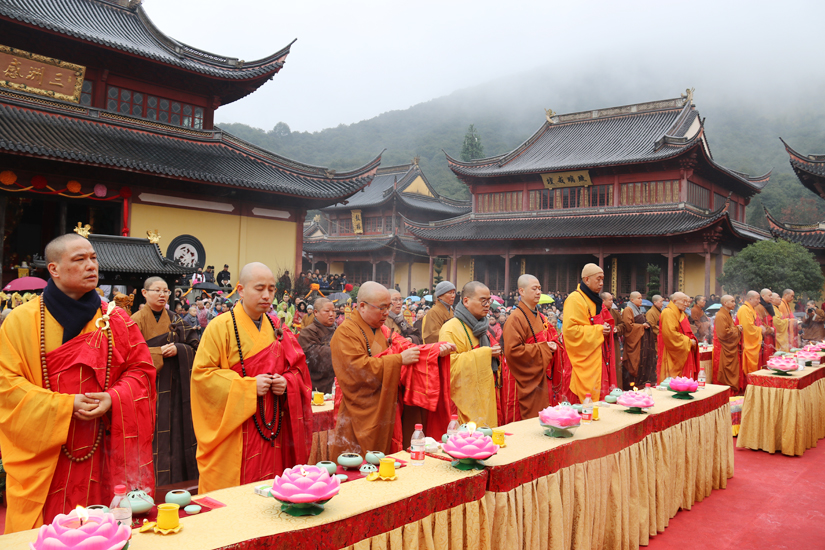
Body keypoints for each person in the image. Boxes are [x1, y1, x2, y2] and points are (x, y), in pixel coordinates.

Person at [0, 233, 156, 533]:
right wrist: (64, 405)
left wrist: (114, 398)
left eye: (93, 258)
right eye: (79, 259)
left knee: (103, 532)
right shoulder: (21, 321)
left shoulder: (118, 320)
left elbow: (141, 372)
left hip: (103, 449)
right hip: (46, 454)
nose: (91, 266)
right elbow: (7, 386)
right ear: (54, 269)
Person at [191, 262, 314, 494]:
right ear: (241, 290)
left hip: (271, 425)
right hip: (235, 428)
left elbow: (298, 369)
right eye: (259, 288)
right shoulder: (220, 327)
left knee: (269, 495)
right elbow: (202, 376)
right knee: (232, 503)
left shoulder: (278, 328)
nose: (267, 295)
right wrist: (247, 387)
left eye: (271, 289)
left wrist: (286, 383)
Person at [329, 282, 453, 456]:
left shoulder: (384, 330)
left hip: (388, 406)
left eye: (388, 307)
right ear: (362, 306)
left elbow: (406, 347)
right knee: (360, 463)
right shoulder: (345, 333)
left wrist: (433, 352)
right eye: (382, 308)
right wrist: (398, 360)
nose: (387, 313)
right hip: (360, 410)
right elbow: (356, 369)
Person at [132, 276, 200, 486]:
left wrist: (179, 349)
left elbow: (196, 346)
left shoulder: (176, 319)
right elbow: (128, 353)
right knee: (152, 435)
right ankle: (149, 484)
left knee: (177, 433)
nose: (162, 295)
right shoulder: (135, 320)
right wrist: (157, 352)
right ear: (144, 293)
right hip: (148, 389)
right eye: (157, 290)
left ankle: (178, 481)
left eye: (166, 291)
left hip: (176, 389)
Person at [438, 281, 500, 427]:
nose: (487, 305)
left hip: (485, 395)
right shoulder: (451, 328)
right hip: (463, 402)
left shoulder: (482, 327)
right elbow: (450, 366)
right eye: (482, 300)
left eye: (489, 300)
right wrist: (485, 354)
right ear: (466, 301)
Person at [502, 274, 557, 419]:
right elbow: (513, 351)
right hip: (523, 380)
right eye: (534, 289)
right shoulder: (515, 319)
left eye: (540, 289)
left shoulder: (539, 315)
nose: (539, 292)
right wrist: (544, 348)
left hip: (539, 376)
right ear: (521, 291)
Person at [563, 264, 610, 402]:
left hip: (595, 356)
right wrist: (599, 330)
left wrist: (605, 327)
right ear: (587, 279)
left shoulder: (594, 299)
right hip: (579, 360)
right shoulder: (575, 299)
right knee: (580, 404)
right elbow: (570, 331)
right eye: (598, 279)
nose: (601, 283)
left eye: (603, 279)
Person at [657, 292, 699, 382]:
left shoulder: (681, 313)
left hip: (684, 349)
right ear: (675, 301)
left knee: (685, 379)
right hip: (673, 351)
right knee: (672, 380)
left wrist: (692, 338)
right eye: (684, 302)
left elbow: (687, 331)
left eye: (687, 302)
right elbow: (670, 334)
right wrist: (689, 342)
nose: (686, 304)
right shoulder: (668, 312)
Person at [298, 298, 336, 393]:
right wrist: (340, 350)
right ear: (316, 312)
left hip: (336, 383)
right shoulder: (308, 332)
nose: (331, 314)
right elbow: (311, 355)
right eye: (327, 311)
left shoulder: (339, 330)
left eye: (334, 311)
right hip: (317, 386)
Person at [622, 291, 656, 389]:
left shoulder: (639, 309)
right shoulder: (628, 309)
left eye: (641, 298)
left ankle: (642, 382)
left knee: (643, 361)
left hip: (641, 341)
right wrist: (641, 326)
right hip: (635, 342)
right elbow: (628, 326)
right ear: (632, 300)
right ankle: (632, 385)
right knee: (634, 362)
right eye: (639, 298)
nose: (641, 300)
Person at [713, 295, 742, 391]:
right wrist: (737, 328)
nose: (735, 303)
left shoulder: (727, 314)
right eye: (732, 301)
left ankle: (731, 391)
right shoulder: (721, 315)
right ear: (725, 303)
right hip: (723, 348)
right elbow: (723, 333)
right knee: (723, 370)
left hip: (728, 347)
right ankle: (724, 393)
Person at [739, 290, 765, 378]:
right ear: (750, 299)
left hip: (754, 341)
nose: (759, 301)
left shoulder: (751, 309)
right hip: (747, 343)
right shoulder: (744, 309)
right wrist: (760, 330)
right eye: (757, 299)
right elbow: (748, 328)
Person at [602, 292, 623, 388]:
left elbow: (623, 325)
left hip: (613, 344)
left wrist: (617, 329)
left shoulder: (615, 312)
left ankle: (616, 389)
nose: (612, 302)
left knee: (615, 367)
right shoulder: (597, 312)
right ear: (603, 301)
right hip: (602, 345)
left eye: (612, 300)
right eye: (610, 300)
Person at [755, 288, 775, 367]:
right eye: (769, 295)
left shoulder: (768, 306)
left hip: (770, 336)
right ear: (762, 296)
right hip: (765, 336)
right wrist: (770, 330)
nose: (771, 297)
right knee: (765, 358)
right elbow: (759, 323)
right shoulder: (759, 307)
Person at [646, 294, 663, 368]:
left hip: (660, 339)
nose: (662, 303)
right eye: (661, 301)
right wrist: (663, 332)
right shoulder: (651, 312)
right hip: (655, 339)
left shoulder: (660, 311)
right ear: (655, 302)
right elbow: (651, 326)